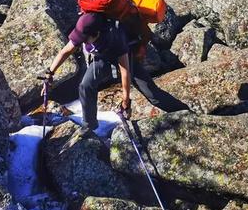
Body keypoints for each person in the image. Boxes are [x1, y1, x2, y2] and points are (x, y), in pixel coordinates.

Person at [44, 12, 187, 130]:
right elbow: (65, 51)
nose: (84, 42)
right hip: (102, 58)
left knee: (152, 94)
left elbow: (125, 71)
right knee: (85, 85)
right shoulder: (83, 30)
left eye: (87, 40)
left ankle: (184, 112)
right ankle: (89, 127)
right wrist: (50, 73)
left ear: (97, 33)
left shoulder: (115, 36)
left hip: (125, 56)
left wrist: (126, 102)